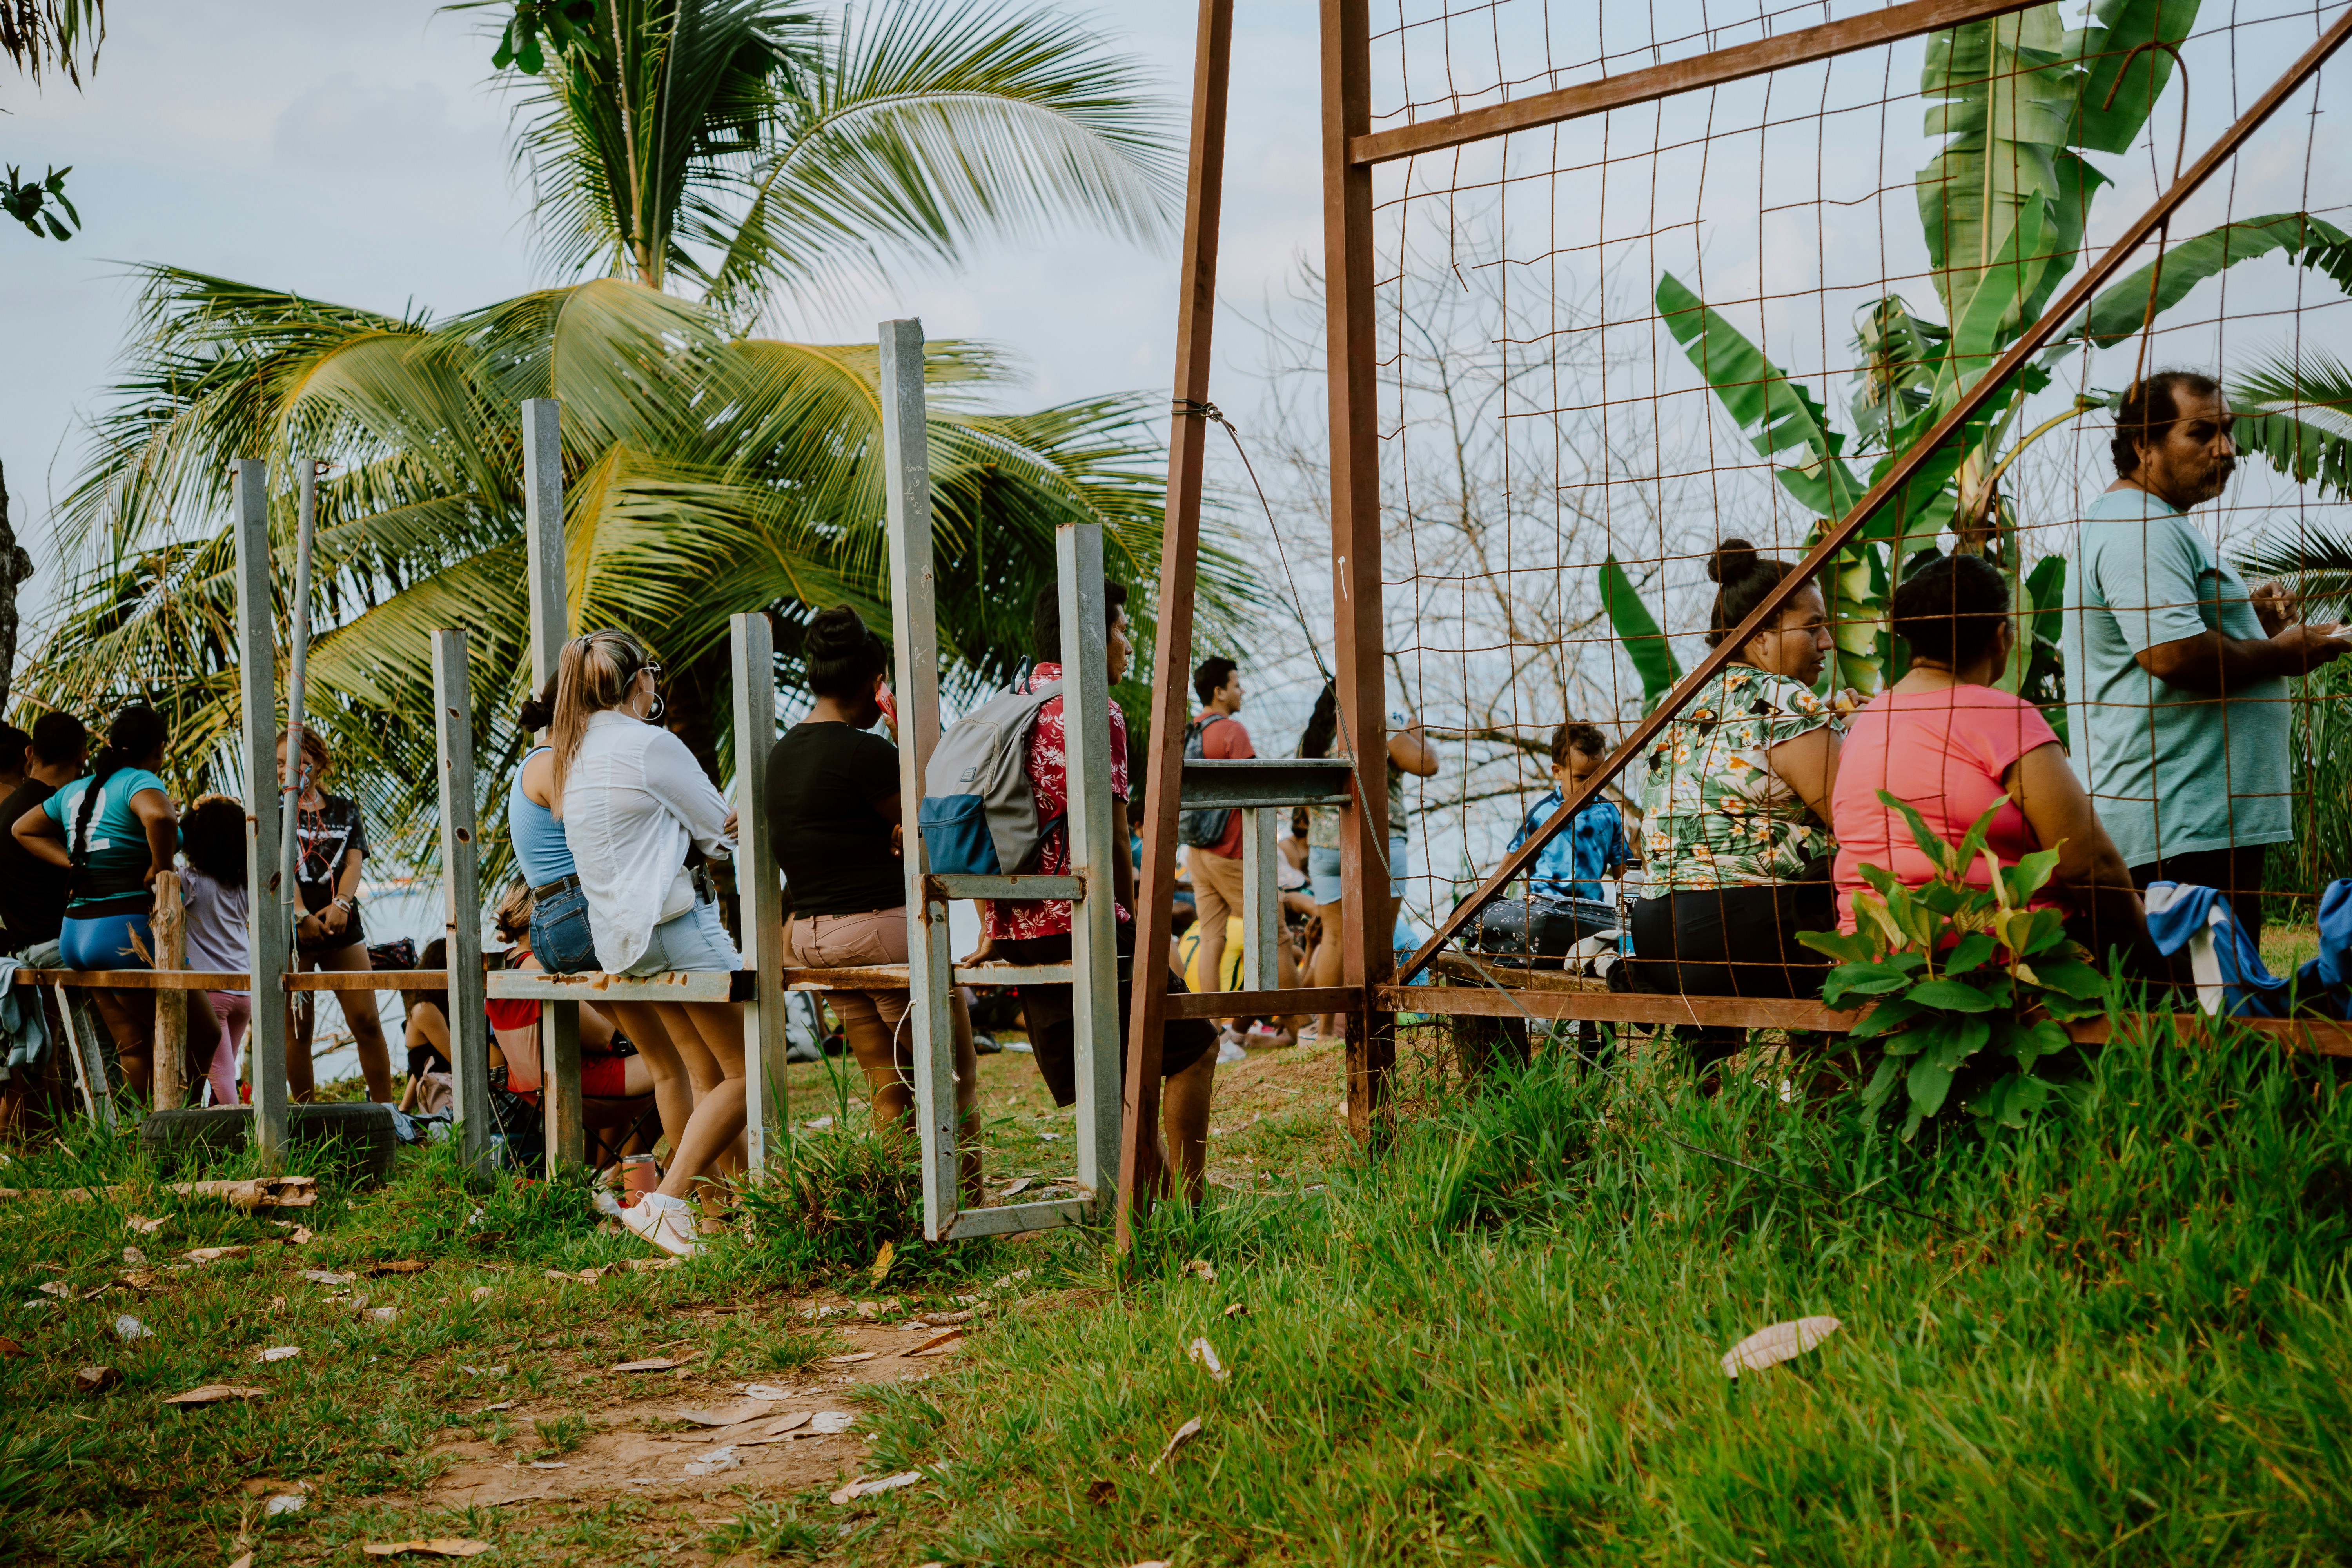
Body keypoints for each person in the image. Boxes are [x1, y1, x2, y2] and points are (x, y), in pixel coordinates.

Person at [2064, 370, 2347, 955]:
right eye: (2202, 433)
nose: (2227, 449)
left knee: (2218, 1007)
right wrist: (2280, 653)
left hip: (2199, 819)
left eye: (2228, 431)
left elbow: (2178, 637)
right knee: (2197, 1013)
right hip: (2177, 829)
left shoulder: (2159, 524)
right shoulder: (2136, 526)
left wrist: (2251, 622)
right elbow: (2171, 654)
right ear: (2144, 445)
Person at [960, 582, 1221, 1202]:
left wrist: (994, 926)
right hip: (1084, 919)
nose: (1128, 643)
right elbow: (1107, 839)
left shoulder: (1008, 705)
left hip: (1021, 929)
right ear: (1091, 635)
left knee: (1113, 1071)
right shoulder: (1090, 709)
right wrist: (1136, 922)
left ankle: (1155, 1211)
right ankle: (1191, 1202)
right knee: (1193, 1046)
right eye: (1121, 628)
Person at [1834, 554, 2148, 958]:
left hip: (1874, 952)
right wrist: (2148, 939)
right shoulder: (2002, 716)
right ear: (2001, 635)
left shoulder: (1867, 720)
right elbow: (2089, 866)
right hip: (1995, 953)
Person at [768, 605, 982, 1193]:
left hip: (812, 938)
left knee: (888, 1086)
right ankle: (967, 1208)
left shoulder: (782, 754)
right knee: (954, 1074)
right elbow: (936, 833)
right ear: (873, 681)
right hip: (878, 931)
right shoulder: (866, 753)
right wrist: (903, 740)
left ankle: (901, 1210)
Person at [554, 627, 744, 1256]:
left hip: (626, 943)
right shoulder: (651, 745)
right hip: (682, 927)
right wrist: (738, 815)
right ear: (640, 682)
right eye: (654, 674)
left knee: (702, 1073)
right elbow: (721, 837)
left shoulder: (570, 757)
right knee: (752, 1072)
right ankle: (669, 1202)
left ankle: (722, 1213)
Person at [1624, 540, 1844, 1069]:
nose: (1827, 642)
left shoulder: (1677, 697)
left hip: (1659, 933)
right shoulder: (1783, 699)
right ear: (1762, 635)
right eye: (1812, 626)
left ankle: (1707, 1100)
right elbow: (1855, 819)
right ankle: (1831, 1097)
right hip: (1745, 933)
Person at [509, 678, 696, 1169]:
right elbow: (618, 830)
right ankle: (698, 1195)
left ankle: (677, 1186)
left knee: (674, 1061)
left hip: (563, 921)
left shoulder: (543, 762)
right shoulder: (553, 765)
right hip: (579, 919)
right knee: (685, 1064)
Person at [13, 704, 220, 1098]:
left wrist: (74, 863)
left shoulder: (77, 789)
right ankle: (184, 1132)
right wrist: (163, 870)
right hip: (124, 932)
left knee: (135, 1043)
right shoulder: (139, 782)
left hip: (76, 934)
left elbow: (23, 829)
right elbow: (160, 818)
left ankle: (142, 1139)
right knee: (204, 1034)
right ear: (158, 748)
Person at [1299, 681, 1441, 1040]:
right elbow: (1427, 765)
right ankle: (1378, 1028)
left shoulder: (1314, 737)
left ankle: (1325, 1031)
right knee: (1382, 937)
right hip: (1381, 841)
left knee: (1333, 938)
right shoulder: (1384, 727)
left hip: (1326, 847)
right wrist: (1414, 730)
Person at [278, 728, 395, 1103]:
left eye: (297, 763)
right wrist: (299, 914)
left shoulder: (345, 809)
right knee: (299, 1026)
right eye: (279, 763)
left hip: (340, 918)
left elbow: (354, 861)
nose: (286, 771)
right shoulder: (274, 808)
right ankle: (306, 1115)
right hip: (291, 922)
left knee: (366, 1019)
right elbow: (276, 866)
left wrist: (343, 904)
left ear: (319, 764)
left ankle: (386, 1112)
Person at [1500, 720, 1630, 942]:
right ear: (1557, 771)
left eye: (1598, 776)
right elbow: (1509, 864)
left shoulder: (1608, 813)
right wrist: (1486, 906)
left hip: (1592, 915)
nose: (1592, 785)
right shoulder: (1543, 814)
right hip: (1544, 914)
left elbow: (1624, 875)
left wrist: (1630, 920)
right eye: (1582, 778)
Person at [178, 795, 252, 1107]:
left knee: (221, 1073)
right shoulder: (244, 885)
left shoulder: (189, 881)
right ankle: (224, 1145)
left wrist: (187, 817)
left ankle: (249, 1141)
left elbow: (164, 844)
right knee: (225, 1067)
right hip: (244, 990)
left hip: (212, 992)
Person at [0, 712, 87, 953]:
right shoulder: (65, 810)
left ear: (30, 753)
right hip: (63, 943)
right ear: (83, 756)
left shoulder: (6, 809)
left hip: (25, 949)